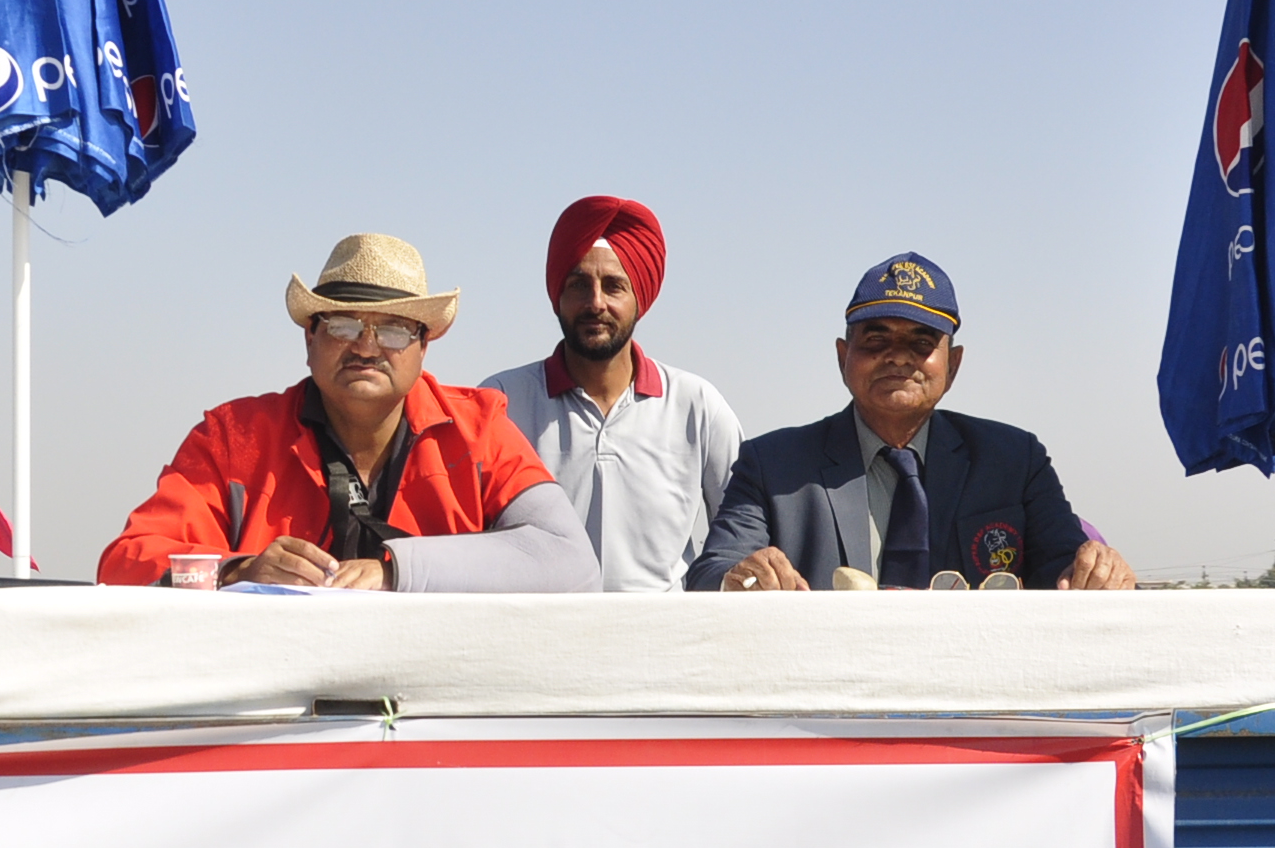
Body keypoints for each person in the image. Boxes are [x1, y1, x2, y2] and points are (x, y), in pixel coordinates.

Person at [98, 234, 601, 592]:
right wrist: (237, 572)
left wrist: (397, 571)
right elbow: (123, 564)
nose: (366, 346)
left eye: (395, 329)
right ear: (310, 338)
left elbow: (572, 562)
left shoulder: (479, 429)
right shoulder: (233, 438)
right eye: (343, 324)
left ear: (424, 347)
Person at [690, 253, 1137, 593]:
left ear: (953, 365)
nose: (898, 357)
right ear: (843, 357)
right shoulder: (773, 465)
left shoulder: (1015, 461)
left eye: (921, 342)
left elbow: (1064, 568)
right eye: (876, 339)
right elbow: (710, 572)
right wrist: (741, 577)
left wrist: (1098, 572)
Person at [481, 196, 743, 592]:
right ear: (557, 296)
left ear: (640, 299)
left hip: (664, 629)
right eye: (578, 285)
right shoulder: (501, 403)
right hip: (539, 628)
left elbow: (740, 537)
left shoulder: (697, 407)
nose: (596, 303)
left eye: (614, 286)